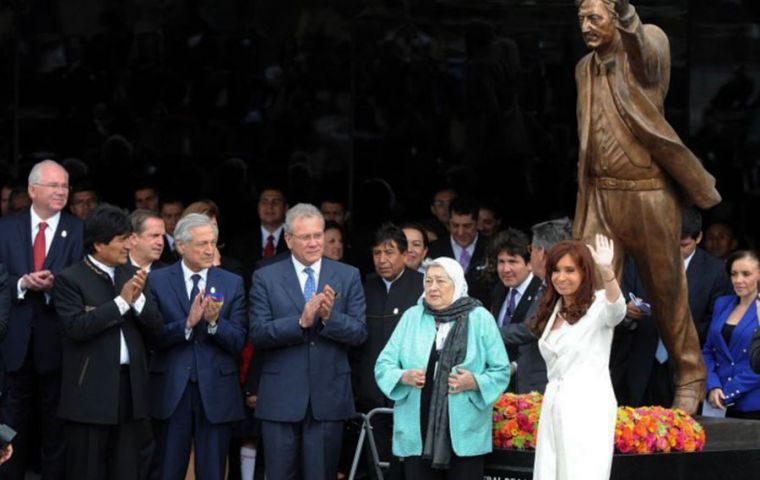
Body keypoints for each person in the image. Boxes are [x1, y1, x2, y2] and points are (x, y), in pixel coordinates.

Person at [572, 0, 721, 414]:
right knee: (589, 287)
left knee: (667, 288)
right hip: (600, 195)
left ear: (616, 18)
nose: (585, 26)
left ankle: (689, 375)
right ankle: (586, 381)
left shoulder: (647, 41)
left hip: (648, 193)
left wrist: (627, 16)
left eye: (594, 17)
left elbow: (649, 64)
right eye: (581, 18)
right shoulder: (584, 68)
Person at [249, 203, 367, 480]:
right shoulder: (265, 277)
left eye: (318, 235)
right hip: (281, 397)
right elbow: (258, 333)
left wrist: (329, 318)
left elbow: (360, 333)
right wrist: (300, 322)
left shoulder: (348, 275)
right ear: (288, 240)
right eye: (306, 237)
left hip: (328, 396)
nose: (315, 243)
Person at [53, 205, 162, 480]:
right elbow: (76, 328)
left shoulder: (133, 274)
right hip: (90, 392)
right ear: (100, 244)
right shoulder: (70, 279)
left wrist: (137, 302)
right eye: (122, 239)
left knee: (126, 469)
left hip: (130, 389)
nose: (129, 244)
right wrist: (121, 303)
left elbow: (156, 328)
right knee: (88, 469)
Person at [375, 257, 508, 479]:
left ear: (456, 283)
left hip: (464, 426)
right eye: (428, 281)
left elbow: (501, 370)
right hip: (417, 423)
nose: (433, 287)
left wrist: (474, 382)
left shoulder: (480, 318)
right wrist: (403, 376)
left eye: (440, 281)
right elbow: (383, 365)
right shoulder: (412, 317)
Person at [0, 159, 83, 480]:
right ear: (33, 190)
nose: (62, 191)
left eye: (65, 185)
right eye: (54, 185)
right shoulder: (6, 227)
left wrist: (54, 286)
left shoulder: (78, 229)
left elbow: (83, 283)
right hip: (14, 341)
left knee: (55, 425)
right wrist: (22, 283)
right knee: (10, 423)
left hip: (58, 343)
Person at [148, 213, 247, 480]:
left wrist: (214, 323)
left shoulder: (231, 282)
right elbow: (152, 336)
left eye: (213, 243)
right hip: (172, 388)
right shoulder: (157, 280)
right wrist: (188, 325)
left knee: (213, 470)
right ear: (181, 246)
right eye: (202, 243)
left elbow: (239, 339)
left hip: (216, 389)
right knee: (168, 468)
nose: (209, 249)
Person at [532, 235, 626, 480]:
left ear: (584, 272)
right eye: (556, 270)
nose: (561, 277)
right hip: (553, 404)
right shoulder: (552, 309)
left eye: (569, 270)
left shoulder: (598, 307)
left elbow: (617, 310)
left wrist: (607, 272)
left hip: (587, 406)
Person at [619, 207, 731, 407]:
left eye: (683, 245)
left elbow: (716, 322)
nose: (675, 250)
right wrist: (627, 313)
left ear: (698, 238)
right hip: (642, 361)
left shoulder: (715, 271)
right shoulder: (639, 263)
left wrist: (679, 330)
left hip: (687, 365)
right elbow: (617, 306)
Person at [355, 224, 424, 479]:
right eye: (376, 253)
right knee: (377, 464)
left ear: (405, 255)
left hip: (411, 392)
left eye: (389, 252)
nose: (382, 260)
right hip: (372, 391)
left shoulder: (423, 287)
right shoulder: (364, 287)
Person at [702, 250, 760, 419]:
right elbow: (708, 350)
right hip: (717, 401)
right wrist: (712, 385)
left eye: (746, 274)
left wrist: (729, 391)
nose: (738, 280)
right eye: (734, 274)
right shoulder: (722, 304)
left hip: (753, 404)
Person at [487, 228, 542, 392]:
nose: (505, 269)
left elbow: (531, 330)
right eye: (501, 262)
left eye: (513, 262)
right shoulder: (499, 290)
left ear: (530, 263)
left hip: (530, 386)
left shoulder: (542, 291)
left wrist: (488, 334)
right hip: (500, 384)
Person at [428, 196, 491, 305]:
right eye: (455, 225)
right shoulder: (434, 250)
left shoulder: (491, 248)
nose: (460, 232)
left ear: (477, 224)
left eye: (467, 226)